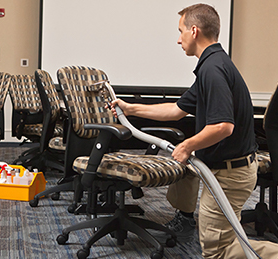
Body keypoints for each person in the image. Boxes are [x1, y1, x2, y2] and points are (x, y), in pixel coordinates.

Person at [110, 4, 278, 258]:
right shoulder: (213, 64)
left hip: (231, 176)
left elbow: (223, 126)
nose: (178, 39)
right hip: (226, 167)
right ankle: (186, 216)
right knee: (188, 169)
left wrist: (188, 145)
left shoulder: (213, 70)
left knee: (218, 251)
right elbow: (176, 110)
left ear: (195, 31)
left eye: (181, 31)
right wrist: (130, 108)